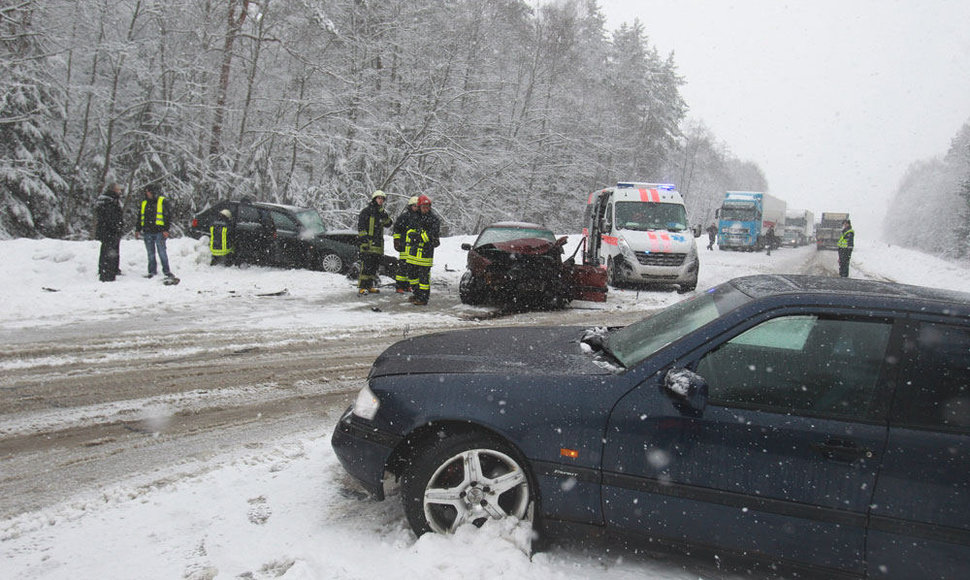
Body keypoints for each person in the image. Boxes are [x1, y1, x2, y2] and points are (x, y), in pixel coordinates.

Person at [404, 195, 440, 306]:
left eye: (427, 206)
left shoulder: (434, 219)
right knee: (412, 276)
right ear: (419, 206)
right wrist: (412, 235)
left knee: (424, 278)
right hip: (413, 253)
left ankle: (423, 298)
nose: (426, 209)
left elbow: (433, 233)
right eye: (424, 206)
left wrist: (420, 237)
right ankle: (417, 294)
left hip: (425, 254)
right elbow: (409, 230)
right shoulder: (414, 217)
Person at [134, 185, 176, 279]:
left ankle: (166, 271)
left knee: (162, 252)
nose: (147, 193)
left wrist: (166, 229)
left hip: (159, 232)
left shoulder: (162, 201)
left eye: (148, 191)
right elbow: (140, 217)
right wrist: (138, 229)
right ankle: (152, 271)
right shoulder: (144, 203)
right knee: (150, 253)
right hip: (148, 231)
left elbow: (168, 216)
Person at [356, 190, 392, 294]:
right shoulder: (366, 211)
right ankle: (362, 287)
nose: (380, 201)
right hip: (368, 243)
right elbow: (361, 227)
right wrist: (364, 240)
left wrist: (383, 214)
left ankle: (370, 286)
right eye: (379, 198)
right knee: (366, 266)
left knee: (374, 266)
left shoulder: (381, 213)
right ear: (374, 199)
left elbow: (388, 223)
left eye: (382, 199)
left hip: (378, 245)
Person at [94, 182, 124, 282]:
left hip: (105, 230)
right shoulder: (111, 202)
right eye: (118, 190)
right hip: (110, 231)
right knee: (110, 252)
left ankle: (106, 269)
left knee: (106, 251)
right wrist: (117, 227)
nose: (120, 192)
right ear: (114, 190)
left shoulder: (105, 201)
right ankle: (108, 272)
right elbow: (111, 217)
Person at [392, 196, 419, 293]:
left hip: (414, 247)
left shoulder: (421, 218)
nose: (416, 208)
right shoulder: (404, 217)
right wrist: (396, 241)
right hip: (404, 246)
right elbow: (396, 230)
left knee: (411, 268)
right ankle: (399, 286)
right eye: (414, 206)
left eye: (417, 206)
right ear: (410, 206)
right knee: (402, 268)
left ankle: (408, 285)